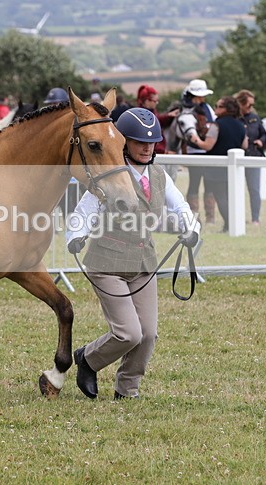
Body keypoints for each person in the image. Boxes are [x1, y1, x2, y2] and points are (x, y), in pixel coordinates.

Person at [66, 107, 200, 400]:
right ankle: (88, 360)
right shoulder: (110, 174)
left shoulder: (159, 175)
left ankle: (127, 389)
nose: (147, 148)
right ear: (124, 142)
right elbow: (84, 211)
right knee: (128, 333)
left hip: (143, 263)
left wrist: (191, 228)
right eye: (140, 142)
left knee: (148, 334)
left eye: (152, 142)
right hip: (106, 263)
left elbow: (180, 206)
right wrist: (76, 236)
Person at [186, 96, 247, 232]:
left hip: (217, 168)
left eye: (218, 106)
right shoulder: (240, 125)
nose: (215, 109)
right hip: (234, 168)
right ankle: (230, 225)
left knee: (221, 197)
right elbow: (245, 145)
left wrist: (195, 139)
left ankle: (231, 225)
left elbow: (207, 146)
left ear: (227, 109)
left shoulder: (216, 125)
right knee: (231, 197)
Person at [174, 79, 216, 224]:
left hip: (208, 151)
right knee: (194, 183)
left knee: (209, 183)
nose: (202, 99)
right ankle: (193, 216)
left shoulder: (207, 108)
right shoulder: (185, 109)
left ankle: (210, 217)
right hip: (193, 150)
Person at [235, 89, 266, 225]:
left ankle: (255, 218)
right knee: (236, 189)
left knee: (254, 189)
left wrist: (261, 141)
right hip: (237, 158)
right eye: (249, 104)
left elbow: (263, 134)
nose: (251, 107)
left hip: (253, 156)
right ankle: (236, 217)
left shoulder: (255, 118)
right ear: (241, 103)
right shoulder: (234, 118)